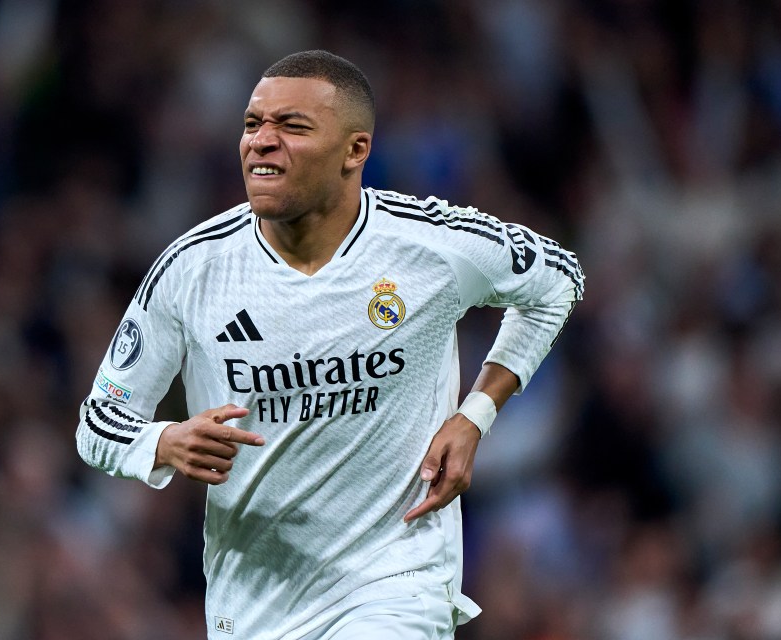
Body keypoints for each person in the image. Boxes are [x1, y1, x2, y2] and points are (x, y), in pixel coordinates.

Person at [76, 49, 584, 640]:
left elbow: (558, 280)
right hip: (256, 601)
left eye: (291, 127)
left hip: (395, 582)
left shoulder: (430, 245)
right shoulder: (193, 270)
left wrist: (475, 414)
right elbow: (99, 424)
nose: (262, 141)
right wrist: (164, 441)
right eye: (252, 124)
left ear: (355, 151)